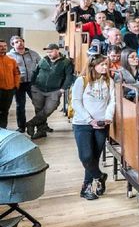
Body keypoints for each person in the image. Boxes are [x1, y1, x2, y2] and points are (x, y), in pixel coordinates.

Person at [71, 55, 115, 200]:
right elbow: (76, 103)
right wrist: (90, 120)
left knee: (94, 157)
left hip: (102, 124)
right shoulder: (81, 80)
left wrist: (108, 117)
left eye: (106, 65)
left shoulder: (109, 81)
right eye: (102, 64)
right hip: (82, 123)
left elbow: (112, 102)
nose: (105, 67)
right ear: (93, 65)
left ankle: (86, 187)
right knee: (86, 156)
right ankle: (100, 176)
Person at [28, 44, 73, 138]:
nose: (49, 54)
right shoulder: (43, 60)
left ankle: (30, 123)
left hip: (55, 90)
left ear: (57, 50)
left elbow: (69, 76)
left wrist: (63, 88)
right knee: (39, 110)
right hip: (38, 88)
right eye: (47, 52)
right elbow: (35, 72)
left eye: (51, 52)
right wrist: (32, 84)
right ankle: (41, 131)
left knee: (49, 109)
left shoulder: (66, 62)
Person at [8, 36, 40, 133]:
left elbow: (42, 64)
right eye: (17, 42)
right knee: (20, 106)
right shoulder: (9, 56)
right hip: (18, 84)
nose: (20, 43)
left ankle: (42, 126)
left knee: (38, 105)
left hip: (32, 83)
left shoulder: (33, 54)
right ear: (12, 44)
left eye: (21, 41)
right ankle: (21, 127)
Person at [0, 40, 20, 129]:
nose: (3, 48)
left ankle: (3, 129)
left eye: (5, 46)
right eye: (0, 46)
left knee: (5, 111)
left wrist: (16, 85)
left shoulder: (11, 60)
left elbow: (17, 73)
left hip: (9, 90)